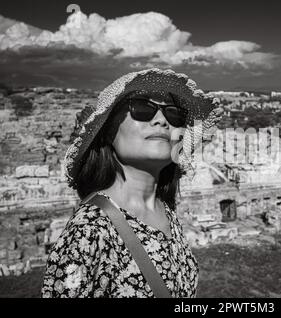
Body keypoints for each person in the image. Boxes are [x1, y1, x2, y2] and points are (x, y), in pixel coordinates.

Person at [41, 69, 222, 298]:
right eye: (142, 108)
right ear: (107, 133)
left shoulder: (166, 212)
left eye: (174, 114)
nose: (161, 120)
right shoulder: (89, 230)